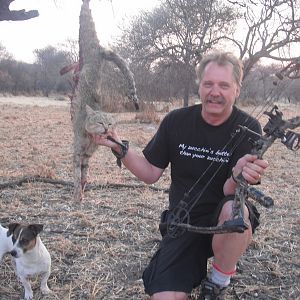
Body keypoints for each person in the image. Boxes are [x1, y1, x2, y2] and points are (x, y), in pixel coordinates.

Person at [91, 51, 269, 300]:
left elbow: (230, 193)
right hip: (183, 221)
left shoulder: (250, 127)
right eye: (208, 84)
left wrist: (239, 175)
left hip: (224, 218)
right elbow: (150, 173)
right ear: (199, 86)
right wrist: (119, 146)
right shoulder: (176, 121)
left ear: (237, 89)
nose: (214, 92)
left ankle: (217, 282)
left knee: (235, 212)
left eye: (224, 85)